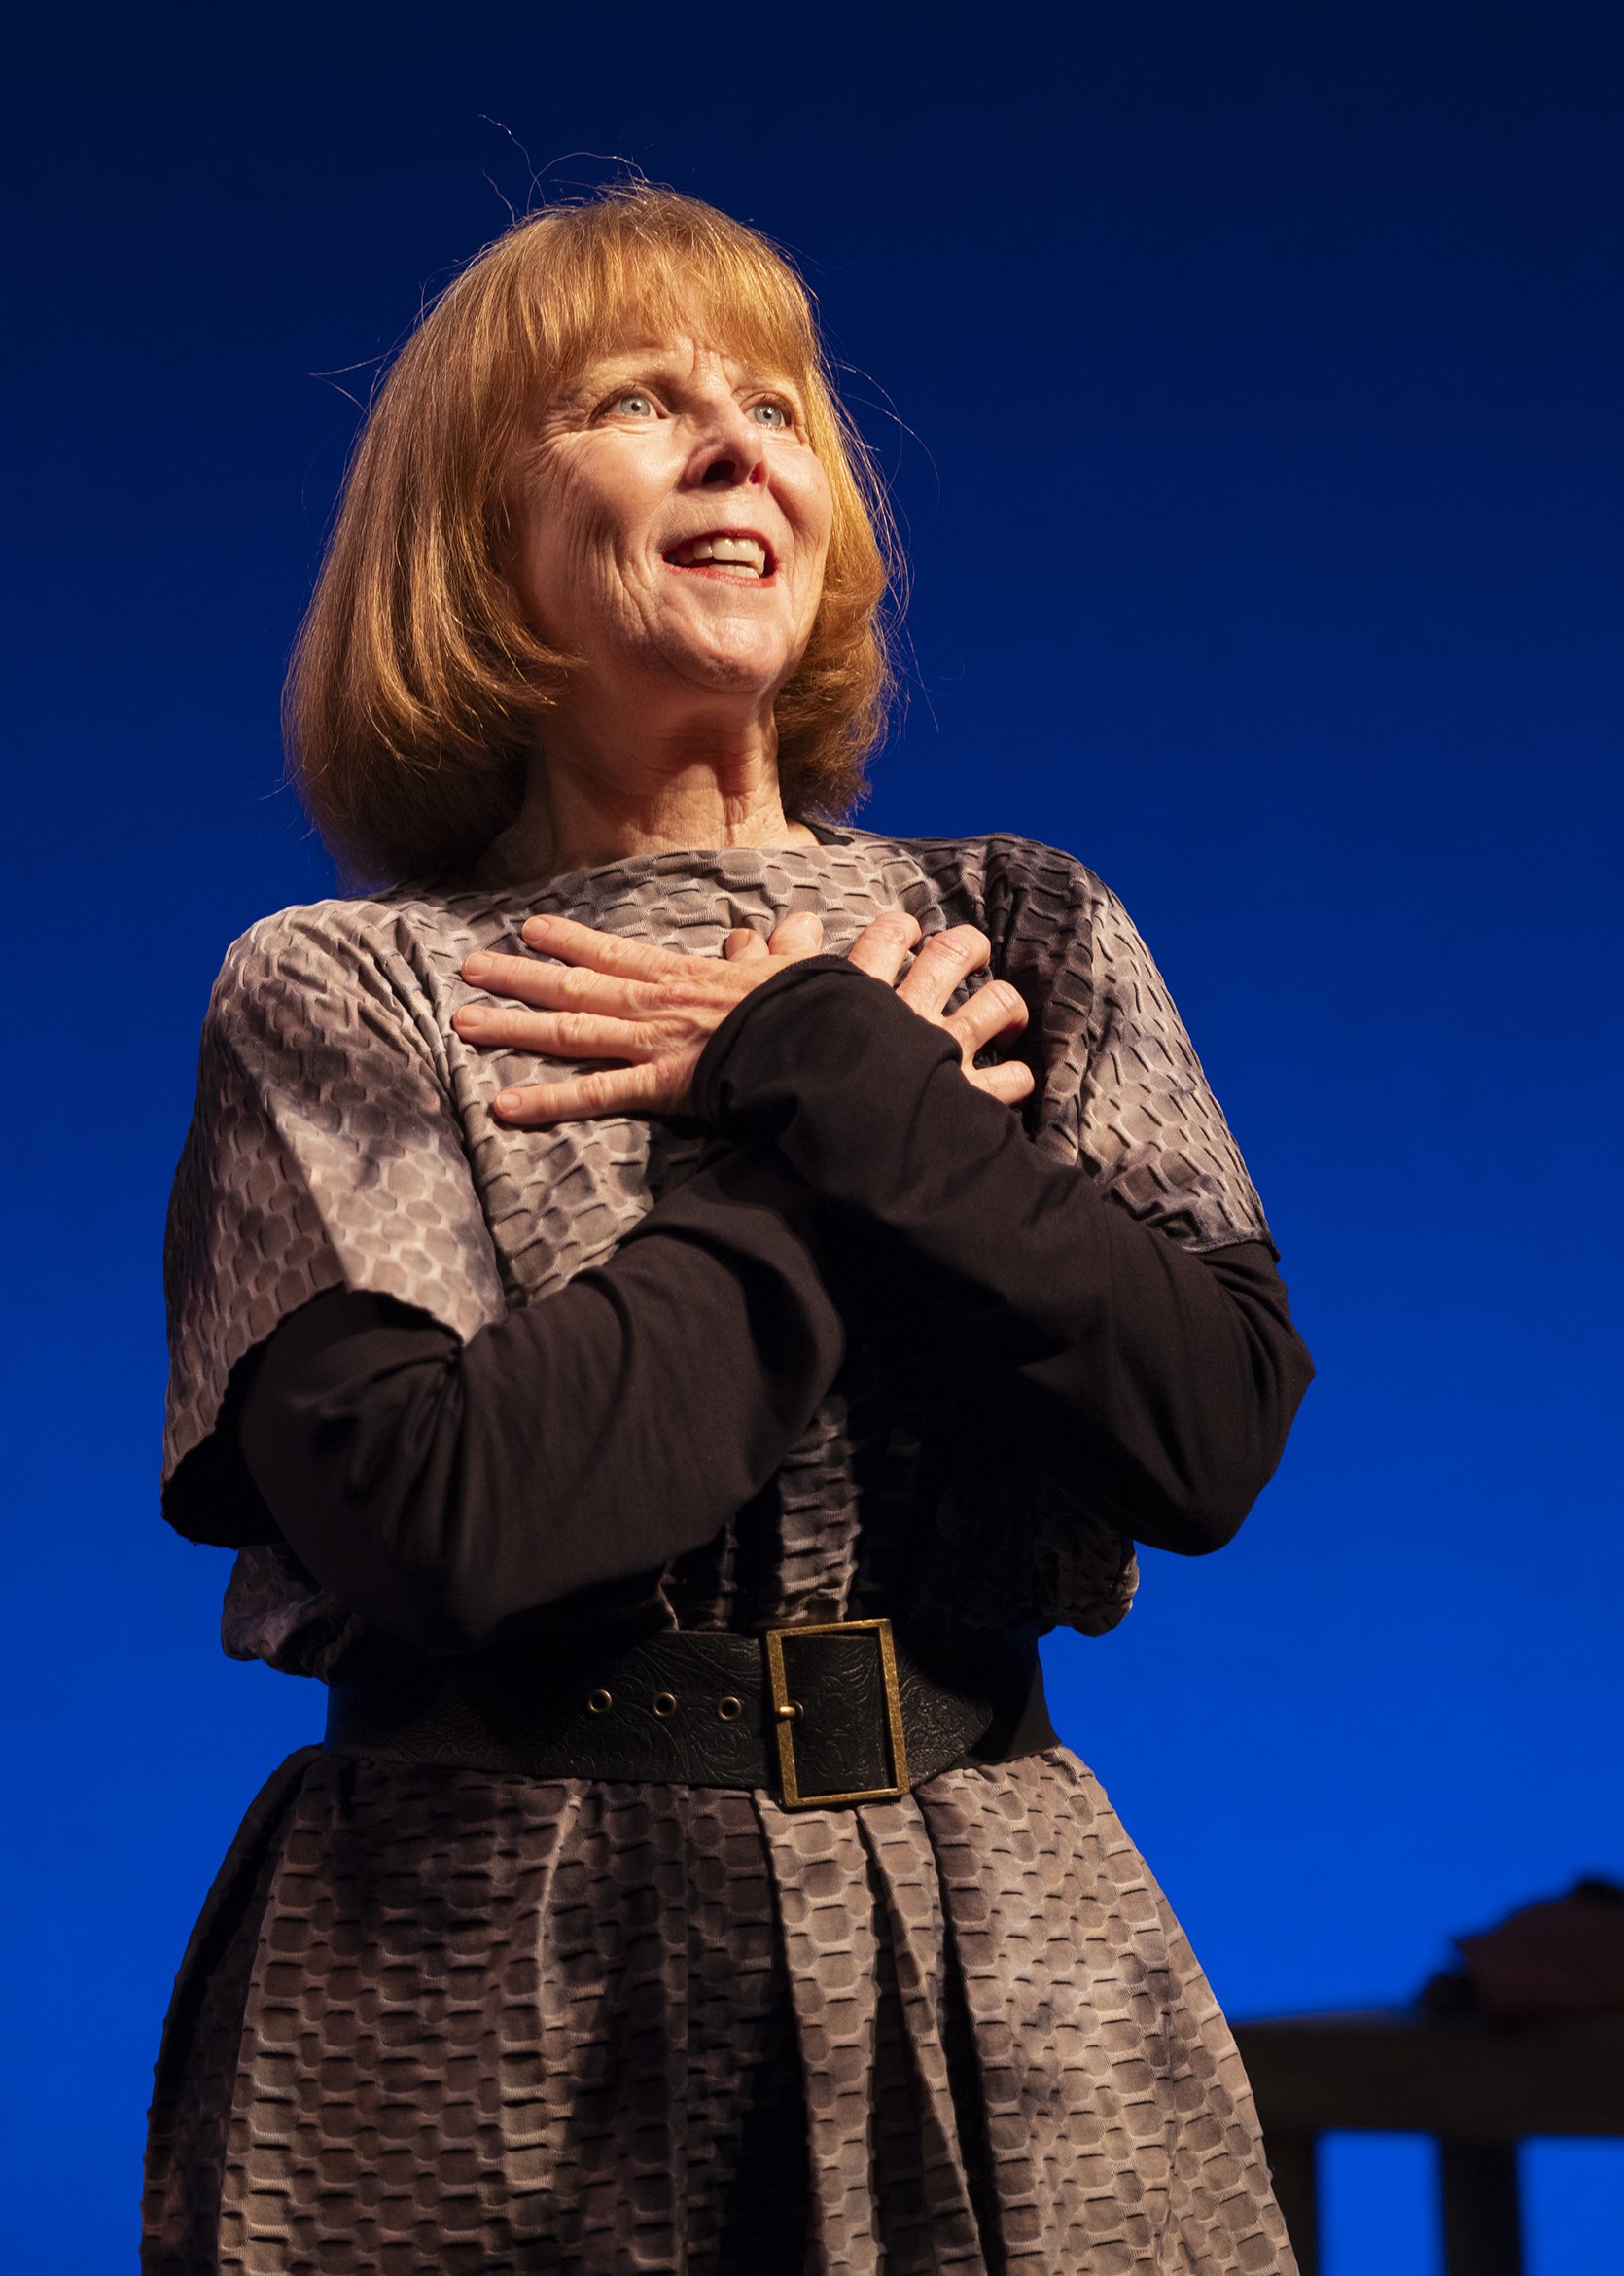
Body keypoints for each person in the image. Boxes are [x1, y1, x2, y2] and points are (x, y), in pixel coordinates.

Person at [145, 183, 1315, 2275]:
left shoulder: (1023, 932)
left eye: (772, 401)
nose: (734, 441)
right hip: (481, 1985)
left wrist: (810, 1054)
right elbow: (450, 1523)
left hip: (1005, 1968)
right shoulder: (353, 989)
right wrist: (831, 1106)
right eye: (632, 396)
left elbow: (1206, 1428)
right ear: (469, 537)